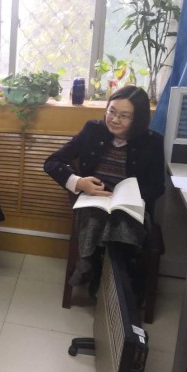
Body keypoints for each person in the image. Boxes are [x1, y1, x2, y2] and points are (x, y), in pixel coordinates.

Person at [43, 85, 165, 298]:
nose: (115, 120)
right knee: (95, 215)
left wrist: (128, 196)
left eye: (124, 116)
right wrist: (79, 183)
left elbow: (157, 187)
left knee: (120, 220)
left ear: (138, 119)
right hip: (94, 201)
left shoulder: (152, 141)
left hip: (130, 207)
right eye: (111, 112)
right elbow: (52, 162)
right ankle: (103, 273)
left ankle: (102, 271)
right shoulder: (93, 130)